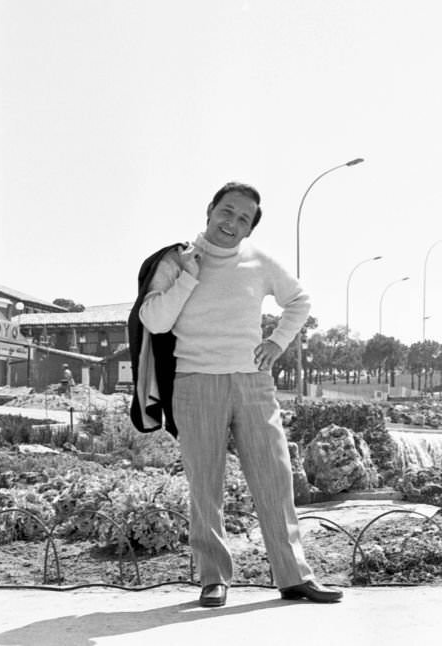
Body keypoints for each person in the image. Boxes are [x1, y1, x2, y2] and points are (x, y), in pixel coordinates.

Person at [134, 182, 340, 608]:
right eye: (227, 211)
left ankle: (294, 576)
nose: (232, 223)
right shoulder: (176, 260)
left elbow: (299, 300)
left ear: (249, 230)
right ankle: (214, 578)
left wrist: (278, 343)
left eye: (243, 219)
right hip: (195, 383)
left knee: (275, 478)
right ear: (210, 210)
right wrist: (190, 275)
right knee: (204, 484)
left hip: (253, 383)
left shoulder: (259, 262)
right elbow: (154, 319)